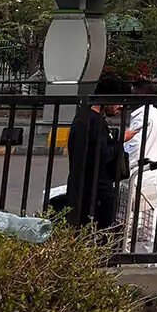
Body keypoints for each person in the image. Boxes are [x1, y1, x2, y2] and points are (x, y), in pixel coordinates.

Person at [63, 76, 127, 230]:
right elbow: (100, 154)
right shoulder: (92, 121)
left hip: (89, 190)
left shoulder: (87, 117)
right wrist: (119, 142)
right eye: (118, 102)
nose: (120, 107)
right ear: (108, 99)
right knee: (97, 234)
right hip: (93, 193)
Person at [121, 79, 157, 255]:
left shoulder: (142, 117)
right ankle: (155, 260)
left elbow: (133, 148)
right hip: (151, 174)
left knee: (132, 220)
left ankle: (127, 255)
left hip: (137, 175)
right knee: (150, 222)